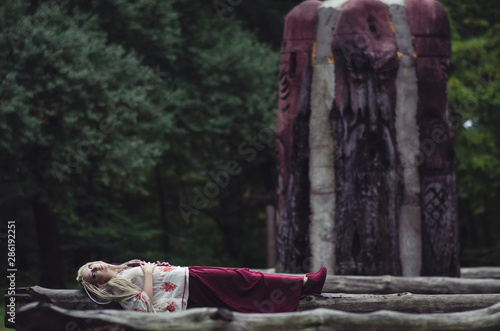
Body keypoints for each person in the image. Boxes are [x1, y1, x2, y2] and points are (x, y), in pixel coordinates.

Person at [76, 260, 327, 313]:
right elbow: (144, 310)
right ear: (98, 285)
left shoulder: (122, 270)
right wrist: (151, 274)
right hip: (190, 289)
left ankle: (301, 285)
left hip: (188, 277)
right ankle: (306, 283)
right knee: (243, 280)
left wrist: (161, 268)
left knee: (243, 277)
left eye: (91, 267)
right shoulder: (116, 287)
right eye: (92, 276)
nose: (95, 270)